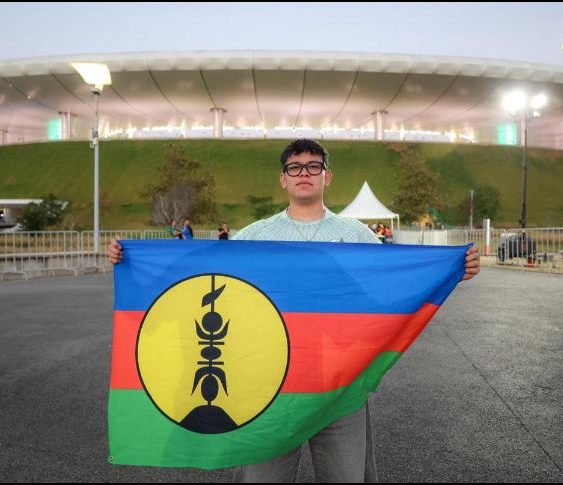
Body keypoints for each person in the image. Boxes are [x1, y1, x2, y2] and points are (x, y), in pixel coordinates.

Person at [106, 139, 480, 482]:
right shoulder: (255, 236)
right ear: (283, 179)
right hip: (268, 387)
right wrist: (131, 260)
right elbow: (205, 276)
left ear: (327, 176)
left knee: (345, 477)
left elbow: (388, 293)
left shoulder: (357, 236)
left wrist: (449, 272)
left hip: (339, 385)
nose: (304, 173)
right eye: (295, 167)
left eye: (313, 166)